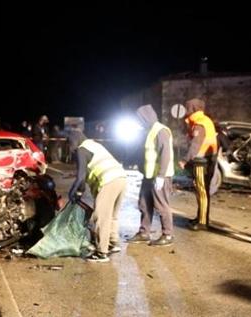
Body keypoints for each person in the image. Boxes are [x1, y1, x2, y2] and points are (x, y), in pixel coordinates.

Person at [67, 129, 126, 262]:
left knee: (101, 216)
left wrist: (72, 191)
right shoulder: (94, 145)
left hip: (109, 180)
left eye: (70, 143)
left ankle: (101, 253)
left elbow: (81, 176)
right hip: (121, 178)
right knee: (112, 215)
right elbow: (84, 177)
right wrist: (80, 190)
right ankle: (113, 243)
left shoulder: (82, 150)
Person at [127, 105, 175, 246]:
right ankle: (144, 232)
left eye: (139, 119)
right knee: (144, 203)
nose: (138, 122)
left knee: (161, 205)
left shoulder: (161, 131)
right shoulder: (149, 131)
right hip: (149, 175)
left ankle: (168, 234)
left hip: (160, 176)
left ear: (145, 117)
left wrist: (161, 176)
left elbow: (165, 154)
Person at [178, 98, 218, 231]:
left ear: (193, 108)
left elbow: (195, 145)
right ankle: (201, 217)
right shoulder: (204, 120)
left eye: (188, 107)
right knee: (202, 191)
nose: (186, 110)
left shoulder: (200, 123)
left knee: (202, 192)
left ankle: (202, 222)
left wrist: (185, 160)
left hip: (202, 162)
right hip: (207, 160)